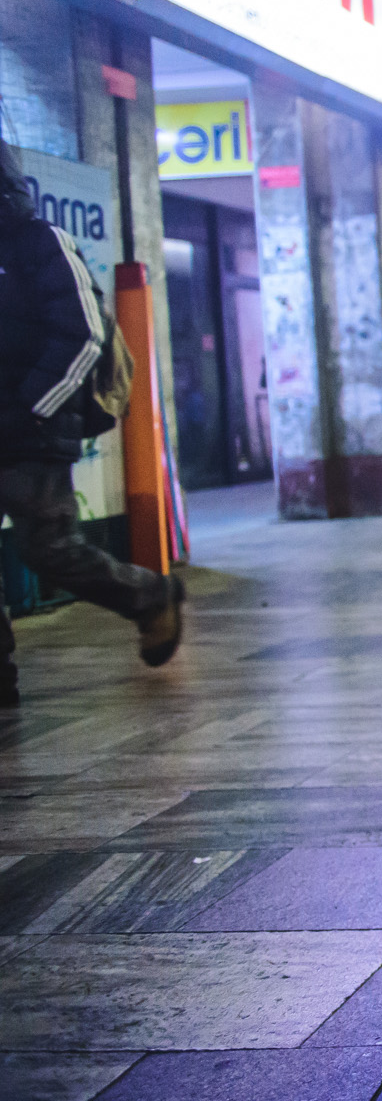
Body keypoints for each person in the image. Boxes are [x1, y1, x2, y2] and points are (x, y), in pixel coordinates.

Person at [1, 141, 184, 707]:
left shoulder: (39, 244)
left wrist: (32, 408)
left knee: (47, 548)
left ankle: (150, 596)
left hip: (32, 428)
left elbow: (83, 334)